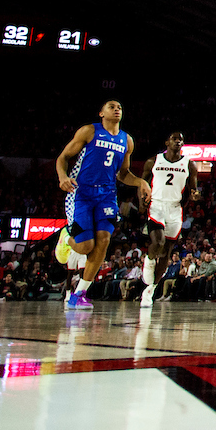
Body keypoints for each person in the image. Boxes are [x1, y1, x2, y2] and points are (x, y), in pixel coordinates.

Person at [53, 101, 152, 310]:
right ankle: (67, 237)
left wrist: (141, 182)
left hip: (107, 194)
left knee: (104, 241)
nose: (117, 109)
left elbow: (123, 173)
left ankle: (79, 293)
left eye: (120, 107)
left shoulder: (127, 140)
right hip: (80, 192)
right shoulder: (89, 131)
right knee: (86, 246)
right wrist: (62, 176)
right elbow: (63, 157)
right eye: (111, 106)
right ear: (101, 113)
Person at [138, 132, 198, 308]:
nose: (178, 141)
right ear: (167, 142)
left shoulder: (189, 164)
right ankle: (149, 260)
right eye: (174, 138)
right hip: (156, 205)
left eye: (181, 139)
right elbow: (142, 183)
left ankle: (150, 290)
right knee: (158, 241)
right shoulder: (154, 161)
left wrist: (195, 195)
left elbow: (193, 188)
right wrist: (141, 202)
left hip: (175, 208)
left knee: (166, 252)